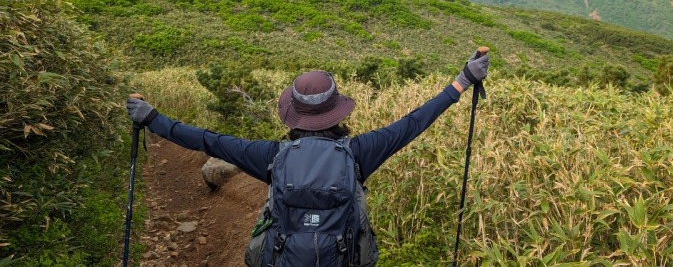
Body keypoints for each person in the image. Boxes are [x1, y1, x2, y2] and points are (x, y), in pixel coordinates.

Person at [126, 49, 489, 265]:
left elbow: (209, 141)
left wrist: (154, 119)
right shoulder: (360, 153)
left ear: (292, 112)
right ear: (337, 111)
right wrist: (462, 80)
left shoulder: (272, 156)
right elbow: (414, 122)